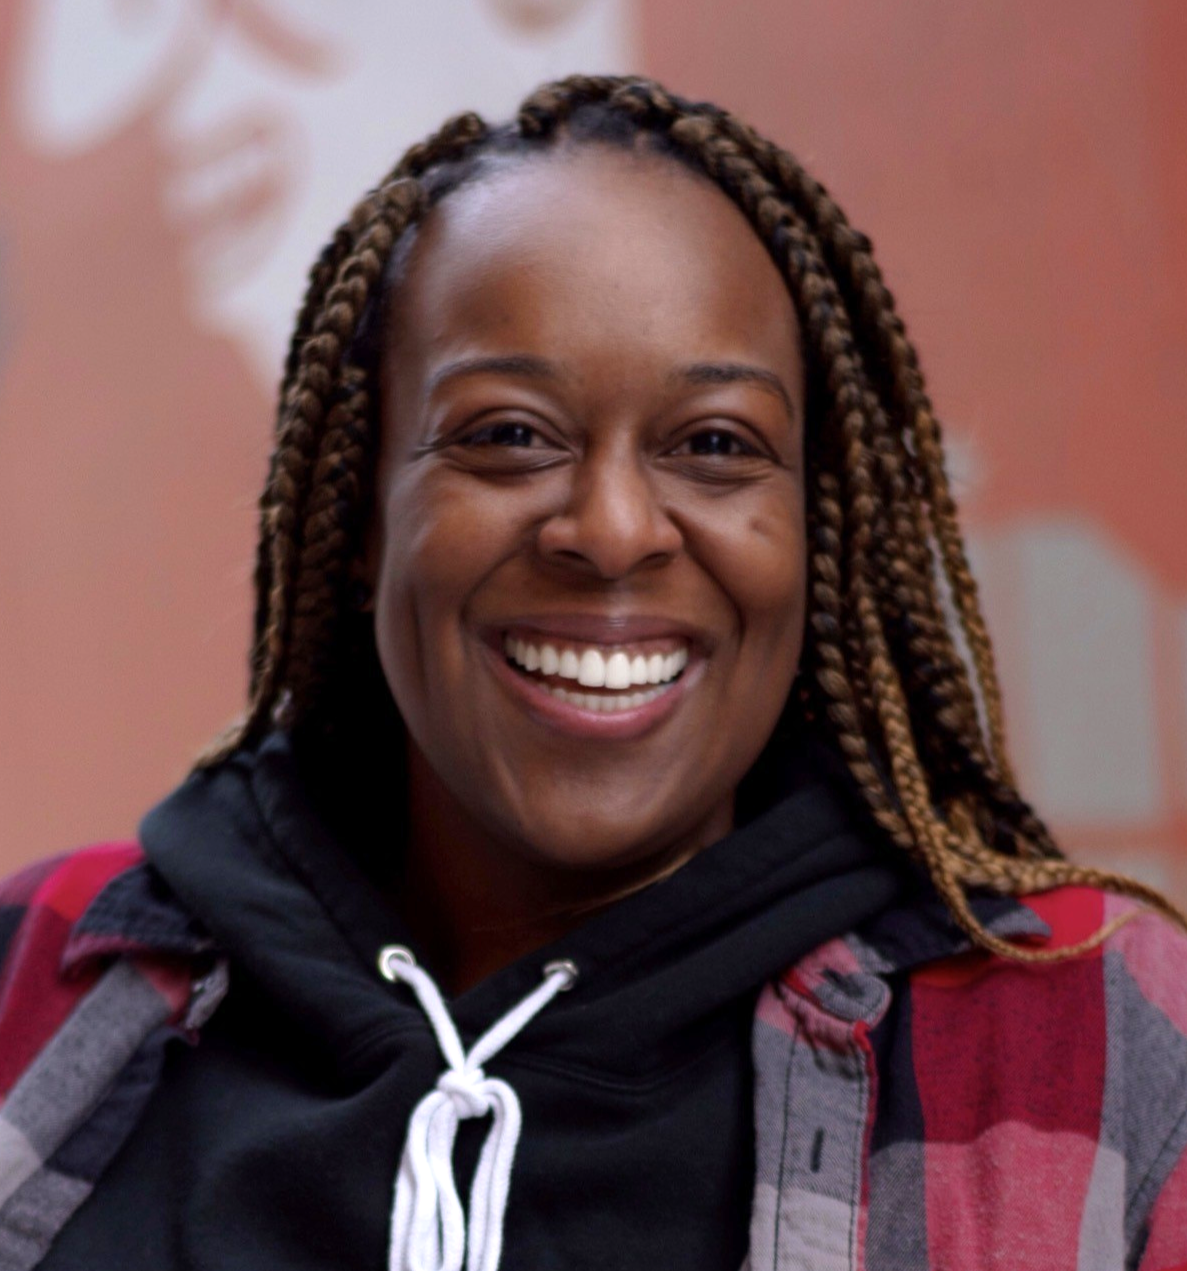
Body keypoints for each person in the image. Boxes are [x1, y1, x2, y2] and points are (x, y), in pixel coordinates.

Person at [2, 74, 1186, 1271]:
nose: (612, 530)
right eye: (509, 434)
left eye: (713, 443)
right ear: (361, 513)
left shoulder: (1092, 1037)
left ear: (814, 528)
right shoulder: (36, 970)